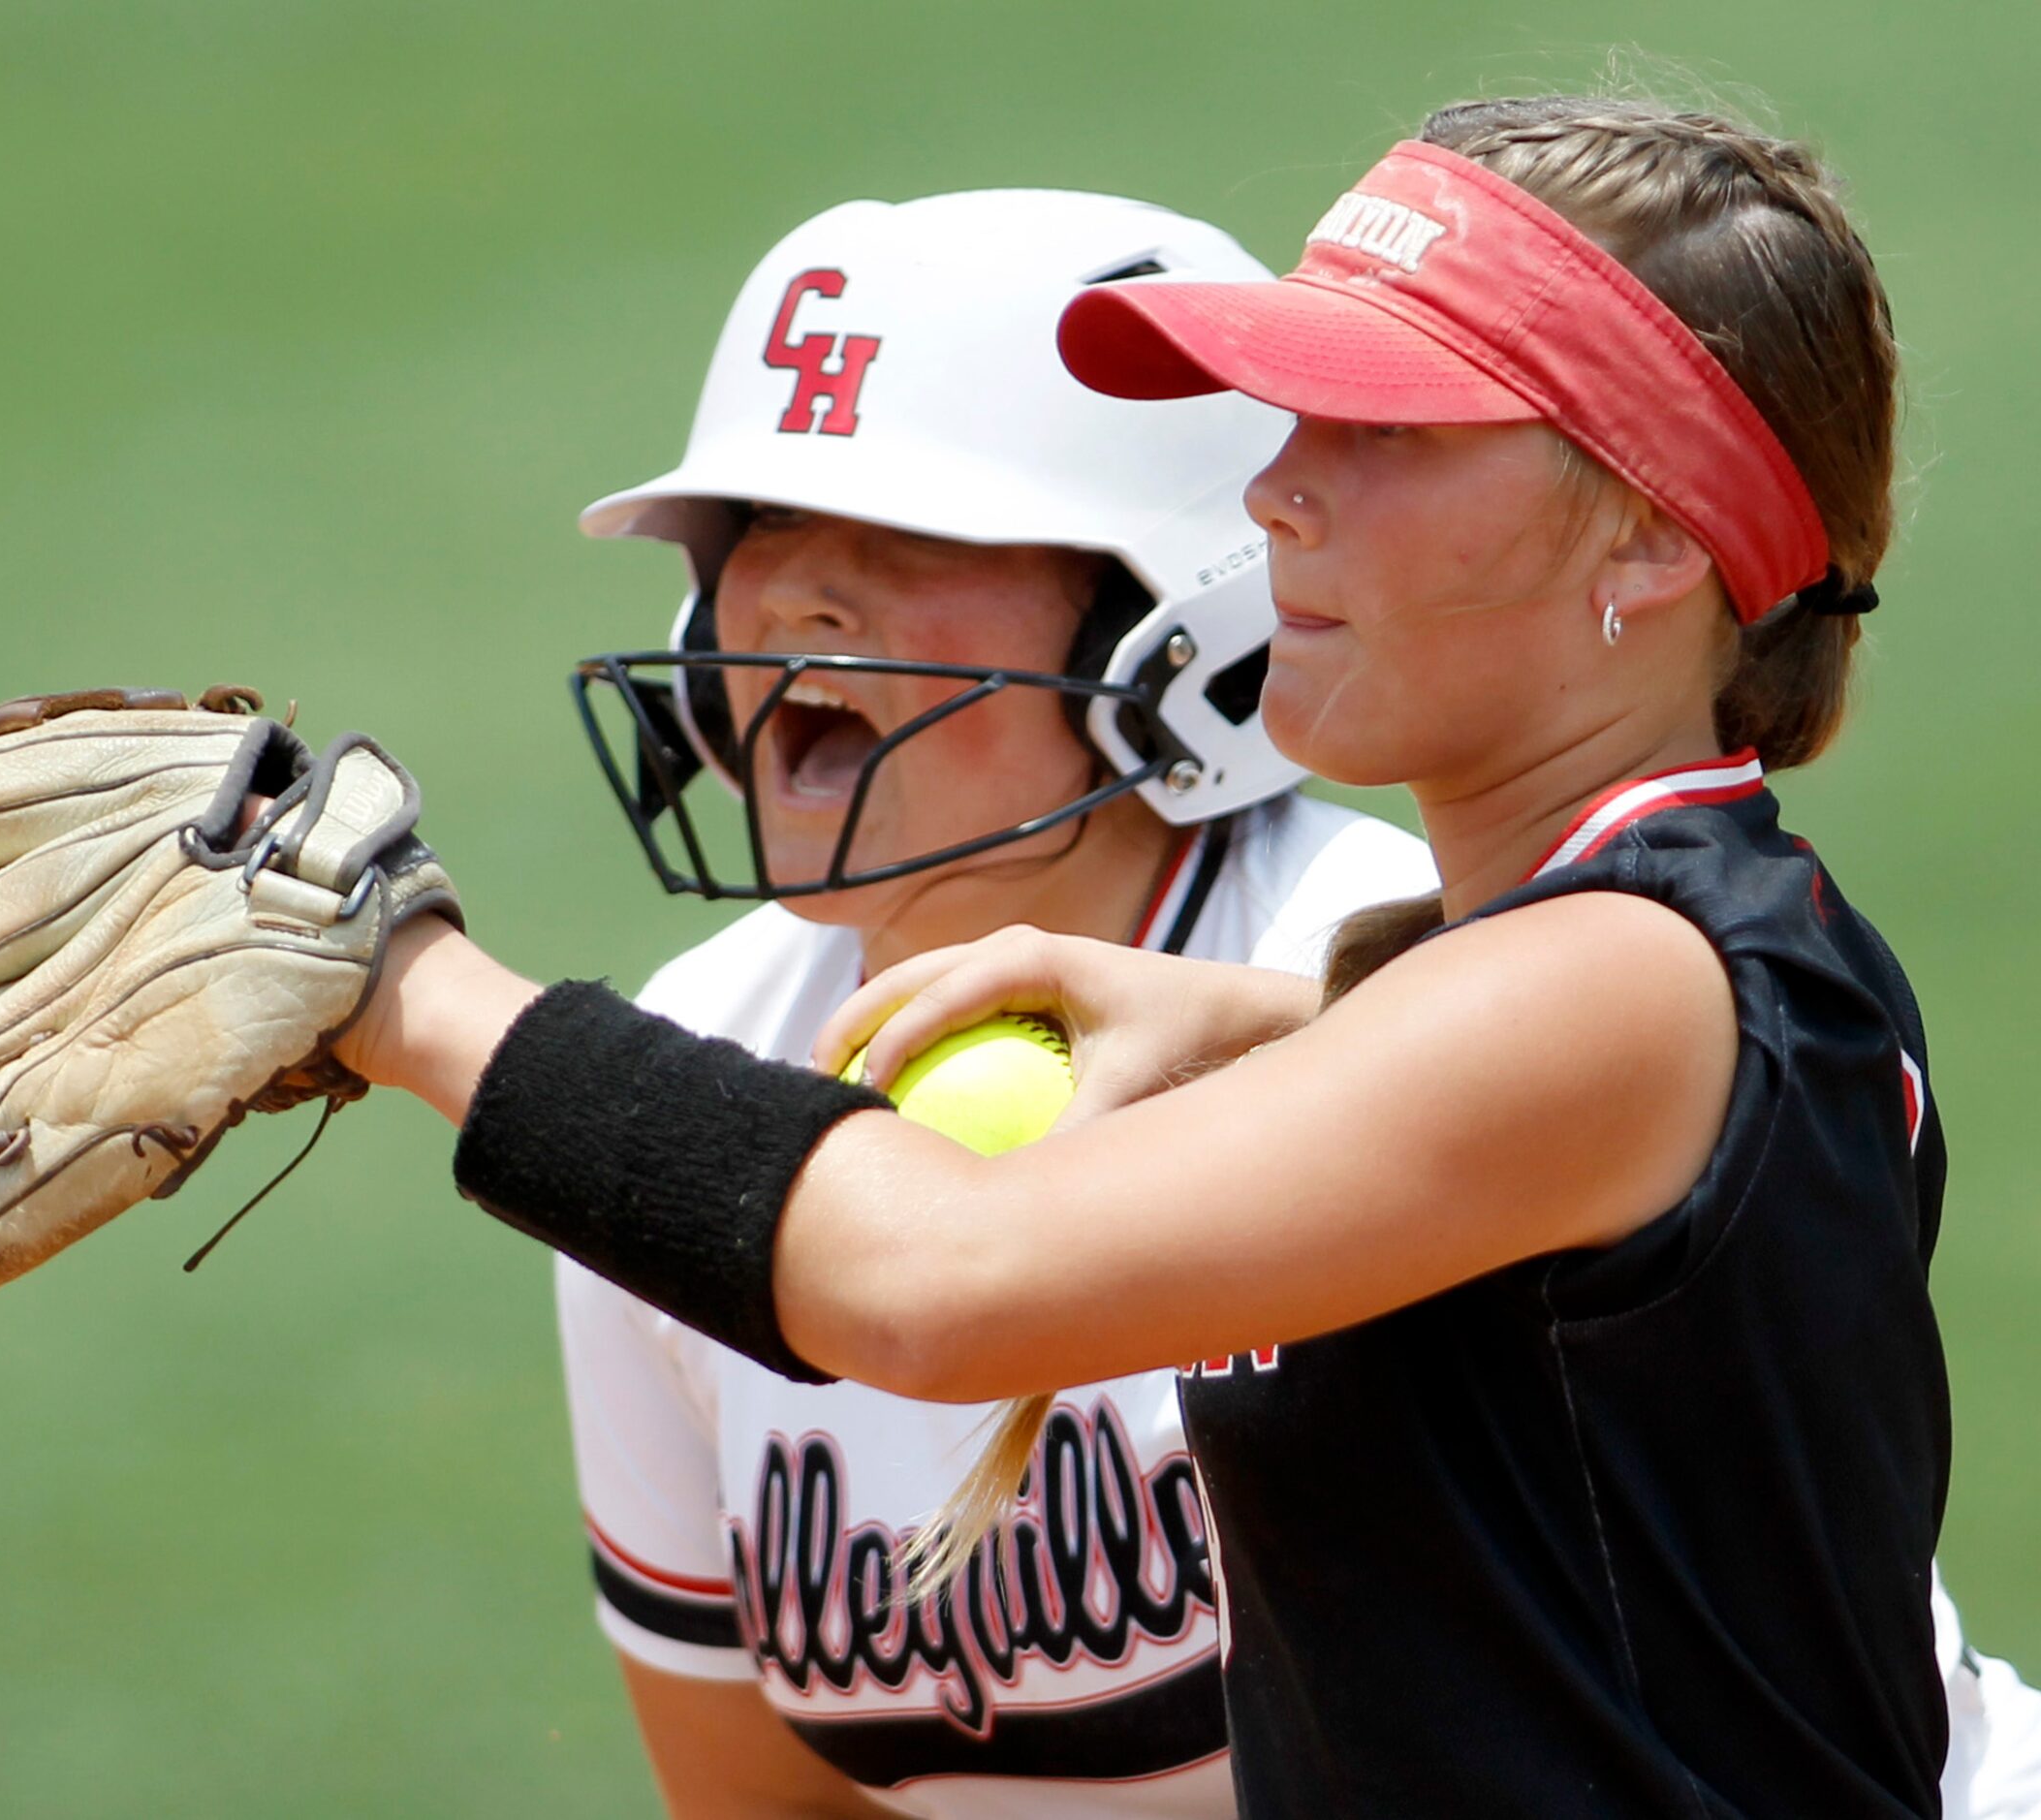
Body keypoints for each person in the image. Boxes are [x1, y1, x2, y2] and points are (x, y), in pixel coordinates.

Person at [340, 98, 2041, 1814]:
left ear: (1656, 533)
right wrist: (1262, 1015)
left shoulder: (1630, 978)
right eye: (1288, 424)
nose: (1277, 494)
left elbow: (944, 1284)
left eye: (1386, 433)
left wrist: (403, 982)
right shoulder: (1599, 957)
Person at [558, 187, 1436, 1817]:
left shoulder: (1388, 955)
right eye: (754, 526)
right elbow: (771, 1804)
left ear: (1180, 625)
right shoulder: (696, 1054)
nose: (790, 603)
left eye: (917, 536)